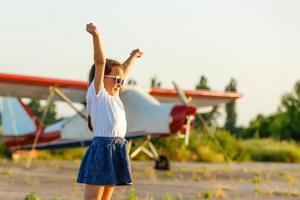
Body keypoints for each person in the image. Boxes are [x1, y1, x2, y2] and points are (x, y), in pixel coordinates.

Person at [77, 22, 143, 200]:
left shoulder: (115, 96)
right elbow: (100, 62)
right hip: (102, 148)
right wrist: (96, 36)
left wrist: (133, 57)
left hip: (118, 147)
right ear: (103, 77)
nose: (120, 84)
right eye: (116, 80)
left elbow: (124, 72)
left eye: (121, 81)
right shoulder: (98, 93)